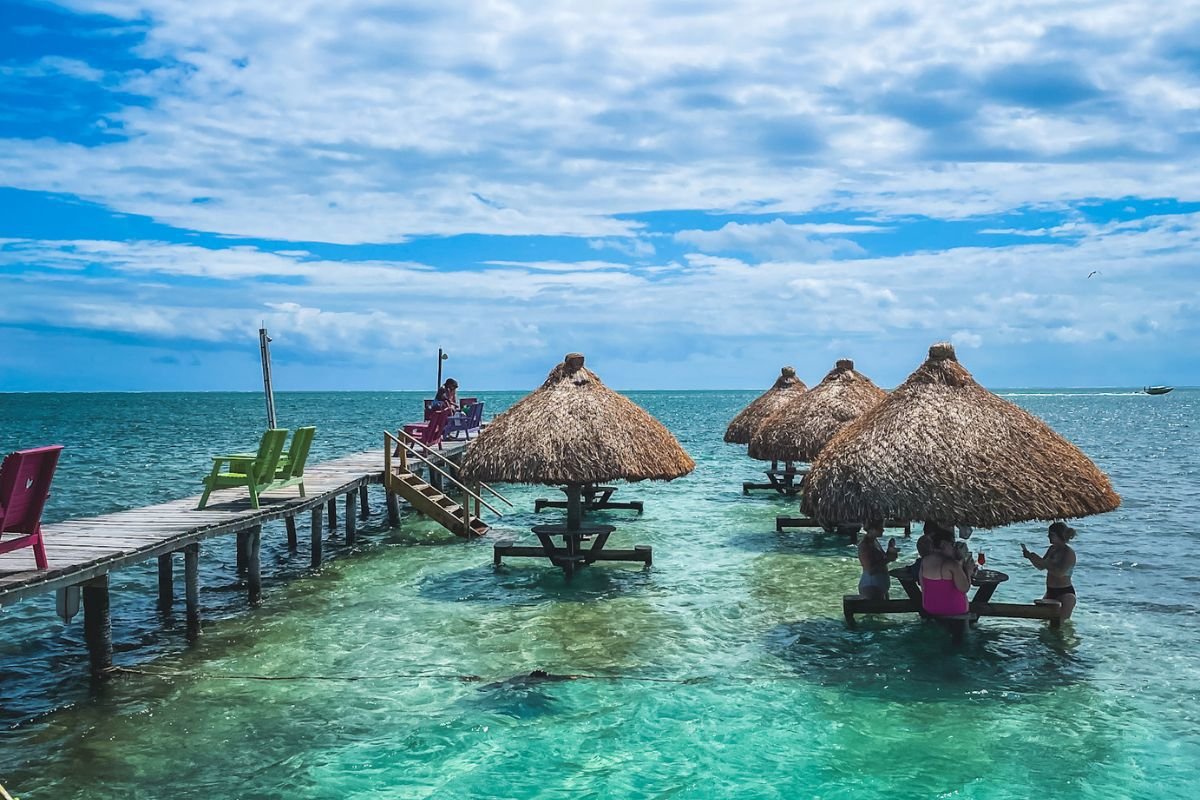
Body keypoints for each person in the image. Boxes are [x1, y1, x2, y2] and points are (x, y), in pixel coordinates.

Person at [920, 528, 972, 642]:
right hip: (954, 610)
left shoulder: (925, 560)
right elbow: (964, 588)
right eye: (952, 544)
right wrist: (968, 570)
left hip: (930, 607)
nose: (954, 547)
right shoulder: (951, 564)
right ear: (943, 544)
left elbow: (922, 585)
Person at [1021, 521, 1078, 619]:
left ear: (1060, 535)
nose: (1048, 537)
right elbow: (1041, 567)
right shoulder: (1052, 549)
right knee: (1044, 622)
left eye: (1051, 534)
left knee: (1060, 624)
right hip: (1050, 590)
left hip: (1065, 592)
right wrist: (1030, 557)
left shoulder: (1068, 552)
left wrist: (1043, 562)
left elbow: (1060, 573)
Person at [857, 521, 898, 600]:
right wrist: (888, 559)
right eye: (880, 528)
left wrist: (890, 551)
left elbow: (880, 561)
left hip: (878, 586)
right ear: (872, 529)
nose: (883, 530)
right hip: (871, 587)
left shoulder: (874, 541)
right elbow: (870, 570)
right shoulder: (864, 546)